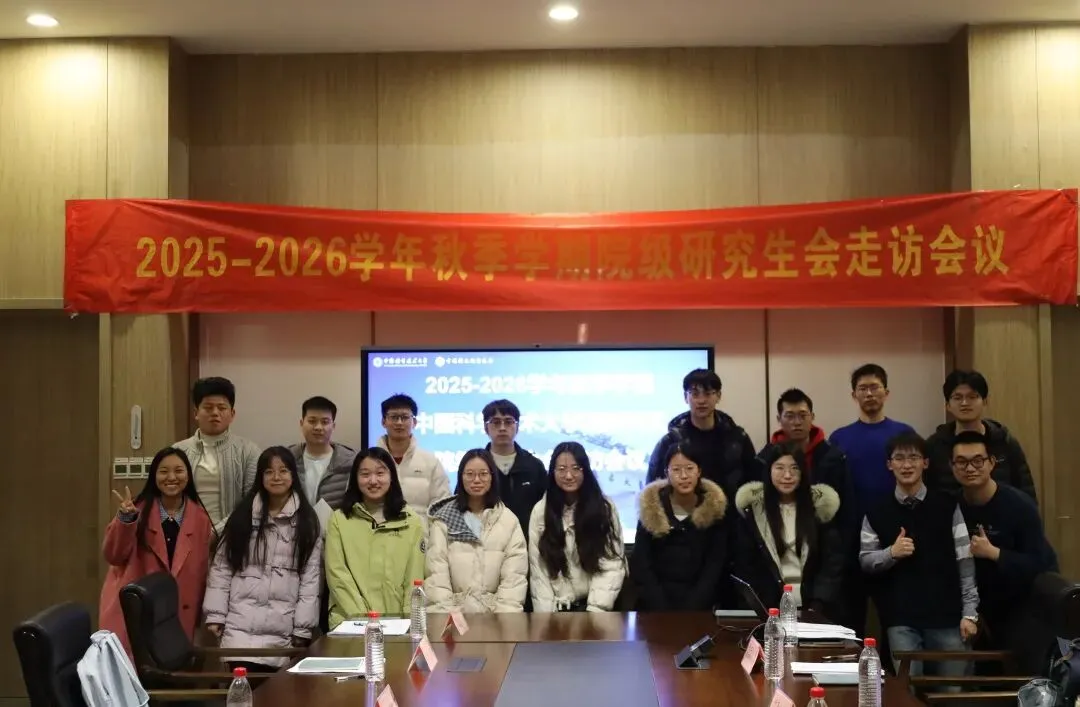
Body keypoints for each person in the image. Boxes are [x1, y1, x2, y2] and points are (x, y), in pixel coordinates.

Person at [860, 431, 979, 684]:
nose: (906, 465)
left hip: (948, 617)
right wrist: (892, 553)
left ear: (925, 463)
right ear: (889, 464)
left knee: (951, 691)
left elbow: (965, 562)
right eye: (899, 458)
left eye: (913, 458)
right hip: (901, 619)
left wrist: (970, 613)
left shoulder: (948, 505)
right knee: (907, 690)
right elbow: (866, 560)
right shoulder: (876, 510)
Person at [203, 447, 323, 673]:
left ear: (293, 476)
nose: (276, 477)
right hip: (238, 626)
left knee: (275, 690)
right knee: (241, 688)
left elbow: (311, 579)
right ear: (260, 476)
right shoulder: (242, 516)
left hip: (281, 630)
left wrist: (303, 628)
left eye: (283, 471)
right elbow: (221, 568)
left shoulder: (307, 521)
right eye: (269, 472)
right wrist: (216, 614)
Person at [952, 430, 1057, 661]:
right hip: (972, 604)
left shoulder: (1020, 506)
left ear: (991, 463)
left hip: (1021, 603)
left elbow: (1040, 565)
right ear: (952, 467)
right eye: (961, 462)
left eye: (977, 461)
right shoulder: (952, 506)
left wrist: (994, 553)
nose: (970, 468)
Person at [99, 447, 212, 659]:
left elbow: (201, 574)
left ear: (188, 475)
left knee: (170, 671)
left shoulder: (200, 519)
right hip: (135, 611)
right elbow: (113, 555)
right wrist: (125, 520)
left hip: (176, 615)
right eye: (164, 471)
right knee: (133, 671)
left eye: (179, 471)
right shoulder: (136, 510)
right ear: (154, 476)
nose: (172, 477)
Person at [828, 363, 915, 631]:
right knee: (850, 620)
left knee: (896, 620)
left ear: (886, 392)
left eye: (875, 387)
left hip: (894, 536)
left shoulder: (904, 434)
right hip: (851, 539)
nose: (869, 394)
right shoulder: (839, 438)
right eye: (863, 388)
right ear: (853, 395)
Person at [732, 440, 845, 621]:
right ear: (768, 471)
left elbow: (831, 564)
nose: (787, 475)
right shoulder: (754, 512)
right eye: (779, 468)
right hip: (768, 610)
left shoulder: (819, 510)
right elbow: (746, 566)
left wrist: (816, 606)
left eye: (794, 468)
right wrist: (764, 608)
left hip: (813, 608)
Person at [324, 447, 426, 629]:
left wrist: (408, 623)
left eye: (380, 473)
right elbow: (337, 574)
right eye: (365, 474)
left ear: (391, 477)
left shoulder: (411, 521)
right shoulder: (339, 519)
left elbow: (414, 578)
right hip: (349, 622)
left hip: (397, 624)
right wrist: (364, 619)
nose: (373, 481)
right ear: (355, 479)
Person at [424, 449, 528, 613]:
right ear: (461, 477)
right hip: (454, 617)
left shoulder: (508, 521)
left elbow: (514, 578)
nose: (477, 480)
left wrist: (503, 620)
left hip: (496, 618)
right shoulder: (444, 520)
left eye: (483, 474)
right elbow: (436, 578)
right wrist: (448, 619)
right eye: (470, 474)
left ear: (492, 477)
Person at [630, 440, 729, 611]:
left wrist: (693, 606)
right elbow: (642, 563)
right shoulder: (651, 509)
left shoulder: (713, 511)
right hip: (654, 608)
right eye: (676, 469)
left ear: (699, 471)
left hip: (700, 607)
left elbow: (714, 566)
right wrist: (660, 606)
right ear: (666, 473)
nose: (684, 476)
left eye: (690, 468)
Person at [529, 441, 626, 612]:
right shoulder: (541, 511)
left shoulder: (603, 508)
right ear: (552, 472)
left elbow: (611, 562)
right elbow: (539, 570)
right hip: (557, 609)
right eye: (561, 469)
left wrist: (595, 610)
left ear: (585, 471)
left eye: (576, 468)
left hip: (595, 608)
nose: (568, 475)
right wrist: (546, 617)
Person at [925, 370, 1037, 503]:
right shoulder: (934, 445)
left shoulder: (1004, 441)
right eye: (957, 397)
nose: (965, 403)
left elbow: (1026, 490)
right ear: (947, 405)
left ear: (985, 401)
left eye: (972, 397)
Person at [646, 369, 758, 499]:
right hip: (685, 511)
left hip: (731, 511)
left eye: (708, 393)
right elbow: (653, 490)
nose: (701, 400)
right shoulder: (671, 442)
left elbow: (754, 485)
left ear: (718, 396)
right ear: (685, 397)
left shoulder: (738, 438)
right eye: (695, 394)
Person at [174, 376, 261, 531]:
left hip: (234, 535)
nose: (215, 413)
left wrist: (217, 532)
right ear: (196, 412)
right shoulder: (178, 452)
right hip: (186, 535)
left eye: (222, 408)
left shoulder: (249, 451)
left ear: (232, 414)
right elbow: (167, 499)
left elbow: (253, 500)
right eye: (208, 408)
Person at [762, 388, 853, 528]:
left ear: (812, 417)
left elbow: (847, 507)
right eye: (790, 416)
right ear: (779, 419)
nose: (797, 422)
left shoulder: (833, 457)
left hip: (824, 533)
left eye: (803, 415)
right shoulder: (764, 458)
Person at [375, 393, 450, 524]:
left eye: (405, 417)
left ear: (414, 422)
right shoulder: (369, 461)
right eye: (394, 417)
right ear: (383, 422)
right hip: (378, 532)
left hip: (420, 534)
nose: (399, 422)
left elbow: (442, 508)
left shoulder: (430, 462)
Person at [482, 399, 547, 539]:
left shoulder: (534, 466)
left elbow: (546, 509)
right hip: (486, 543)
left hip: (527, 542)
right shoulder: (476, 465)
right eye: (496, 422)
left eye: (508, 422)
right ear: (486, 428)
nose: (502, 428)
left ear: (517, 427)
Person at [288, 395, 356, 526]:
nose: (318, 427)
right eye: (312, 421)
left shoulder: (350, 461)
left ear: (333, 426)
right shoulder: (288, 459)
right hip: (294, 532)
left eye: (325, 422)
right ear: (302, 423)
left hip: (335, 532)